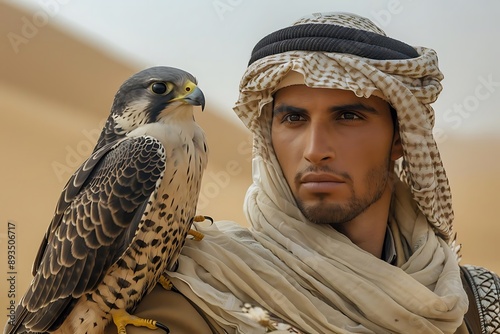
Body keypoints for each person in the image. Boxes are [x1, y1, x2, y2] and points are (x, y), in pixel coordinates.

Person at [106, 12, 500, 334]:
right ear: (268, 134)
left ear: (402, 139)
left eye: (348, 116)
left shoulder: (479, 306)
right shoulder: (187, 293)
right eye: (293, 118)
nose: (315, 151)